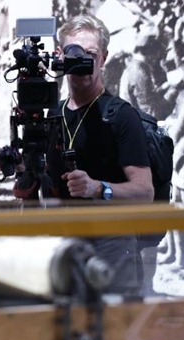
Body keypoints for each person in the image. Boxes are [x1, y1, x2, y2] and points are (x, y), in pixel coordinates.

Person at [48, 14, 153, 296]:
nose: (82, 60)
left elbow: (144, 192)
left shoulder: (120, 115)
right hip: (65, 247)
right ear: (60, 55)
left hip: (112, 249)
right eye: (74, 52)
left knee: (114, 334)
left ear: (103, 58)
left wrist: (98, 188)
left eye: (90, 54)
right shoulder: (52, 114)